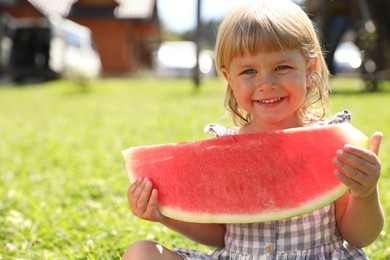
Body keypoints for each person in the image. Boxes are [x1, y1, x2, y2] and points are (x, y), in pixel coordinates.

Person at [123, 0, 384, 259]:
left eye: (282, 67)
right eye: (249, 71)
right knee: (141, 253)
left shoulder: (333, 143)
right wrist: (165, 215)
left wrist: (364, 194)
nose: (266, 83)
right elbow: (221, 235)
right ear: (229, 79)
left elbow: (359, 237)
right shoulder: (225, 148)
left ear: (310, 68)